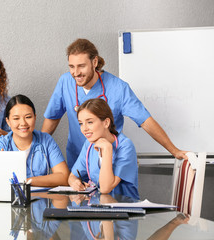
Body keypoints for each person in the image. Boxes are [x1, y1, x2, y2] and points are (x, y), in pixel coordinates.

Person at [42, 38, 187, 169]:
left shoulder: (118, 88)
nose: (76, 73)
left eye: (81, 66)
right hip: (79, 161)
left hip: (111, 162)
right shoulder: (65, 82)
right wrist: (37, 151)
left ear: (94, 62)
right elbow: (52, 118)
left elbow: (145, 121)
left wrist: (174, 150)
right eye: (71, 67)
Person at [0, 94, 70, 187]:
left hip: (41, 199)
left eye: (28, 117)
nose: (23, 123)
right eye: (16, 118)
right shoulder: (1, 144)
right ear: (8, 121)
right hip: (11, 200)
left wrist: (25, 181)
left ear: (35, 117)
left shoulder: (46, 140)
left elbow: (64, 177)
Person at [68, 98, 139, 199]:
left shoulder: (125, 146)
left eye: (90, 122)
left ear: (106, 123)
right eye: (81, 123)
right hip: (98, 207)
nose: (84, 128)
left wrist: (107, 149)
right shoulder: (89, 145)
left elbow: (105, 188)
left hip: (124, 208)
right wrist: (75, 183)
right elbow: (72, 176)